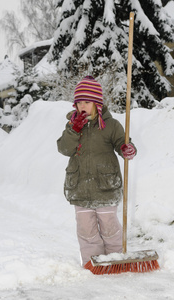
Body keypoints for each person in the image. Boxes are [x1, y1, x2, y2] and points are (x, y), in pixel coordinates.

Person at [57, 75, 137, 269]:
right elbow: (64, 149)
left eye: (87, 102)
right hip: (80, 188)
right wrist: (73, 130)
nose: (82, 106)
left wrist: (127, 148)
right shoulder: (72, 126)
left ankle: (116, 260)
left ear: (97, 104)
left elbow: (121, 143)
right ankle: (92, 264)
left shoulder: (111, 125)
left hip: (105, 187)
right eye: (79, 102)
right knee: (86, 229)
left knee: (110, 227)